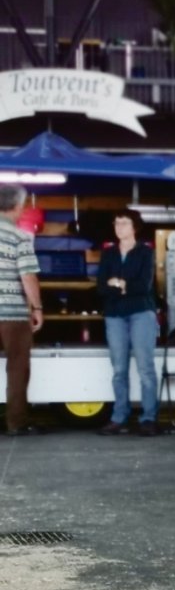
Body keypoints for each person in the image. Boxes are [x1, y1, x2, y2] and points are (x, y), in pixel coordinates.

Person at [96, 210, 160, 436]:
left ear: (135, 227)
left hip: (141, 312)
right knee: (119, 369)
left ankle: (149, 418)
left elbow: (144, 285)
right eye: (117, 223)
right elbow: (100, 287)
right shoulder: (109, 254)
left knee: (145, 368)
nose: (119, 227)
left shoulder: (145, 252)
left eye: (124, 223)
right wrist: (121, 286)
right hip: (115, 314)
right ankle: (119, 417)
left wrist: (119, 284)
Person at [0, 184, 44, 436]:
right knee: (17, 367)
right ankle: (16, 423)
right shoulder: (19, 237)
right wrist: (37, 307)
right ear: (18, 206)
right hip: (12, 315)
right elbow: (27, 276)